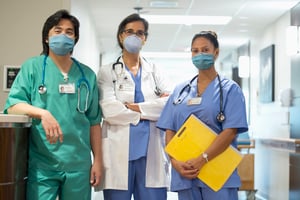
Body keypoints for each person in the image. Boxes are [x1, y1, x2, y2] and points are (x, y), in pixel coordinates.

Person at [4, 9, 103, 200]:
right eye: (57, 31)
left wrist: (97, 160)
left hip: (79, 164)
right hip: (43, 164)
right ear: (47, 37)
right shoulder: (32, 67)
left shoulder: (87, 75)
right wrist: (43, 113)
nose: (63, 36)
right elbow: (13, 105)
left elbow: (94, 122)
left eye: (69, 32)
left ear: (75, 39)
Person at [156, 31, 248, 200]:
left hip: (217, 172)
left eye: (205, 50)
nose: (200, 55)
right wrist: (175, 162)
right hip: (185, 173)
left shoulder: (230, 90)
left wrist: (202, 159)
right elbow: (169, 129)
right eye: (195, 51)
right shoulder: (180, 90)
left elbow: (230, 132)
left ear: (216, 52)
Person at [97, 13, 172, 200]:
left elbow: (168, 106)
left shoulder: (155, 71)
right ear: (121, 36)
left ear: (145, 39)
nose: (134, 36)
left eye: (140, 33)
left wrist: (133, 107)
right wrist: (149, 111)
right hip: (118, 153)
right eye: (129, 31)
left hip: (151, 152)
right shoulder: (107, 72)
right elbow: (110, 111)